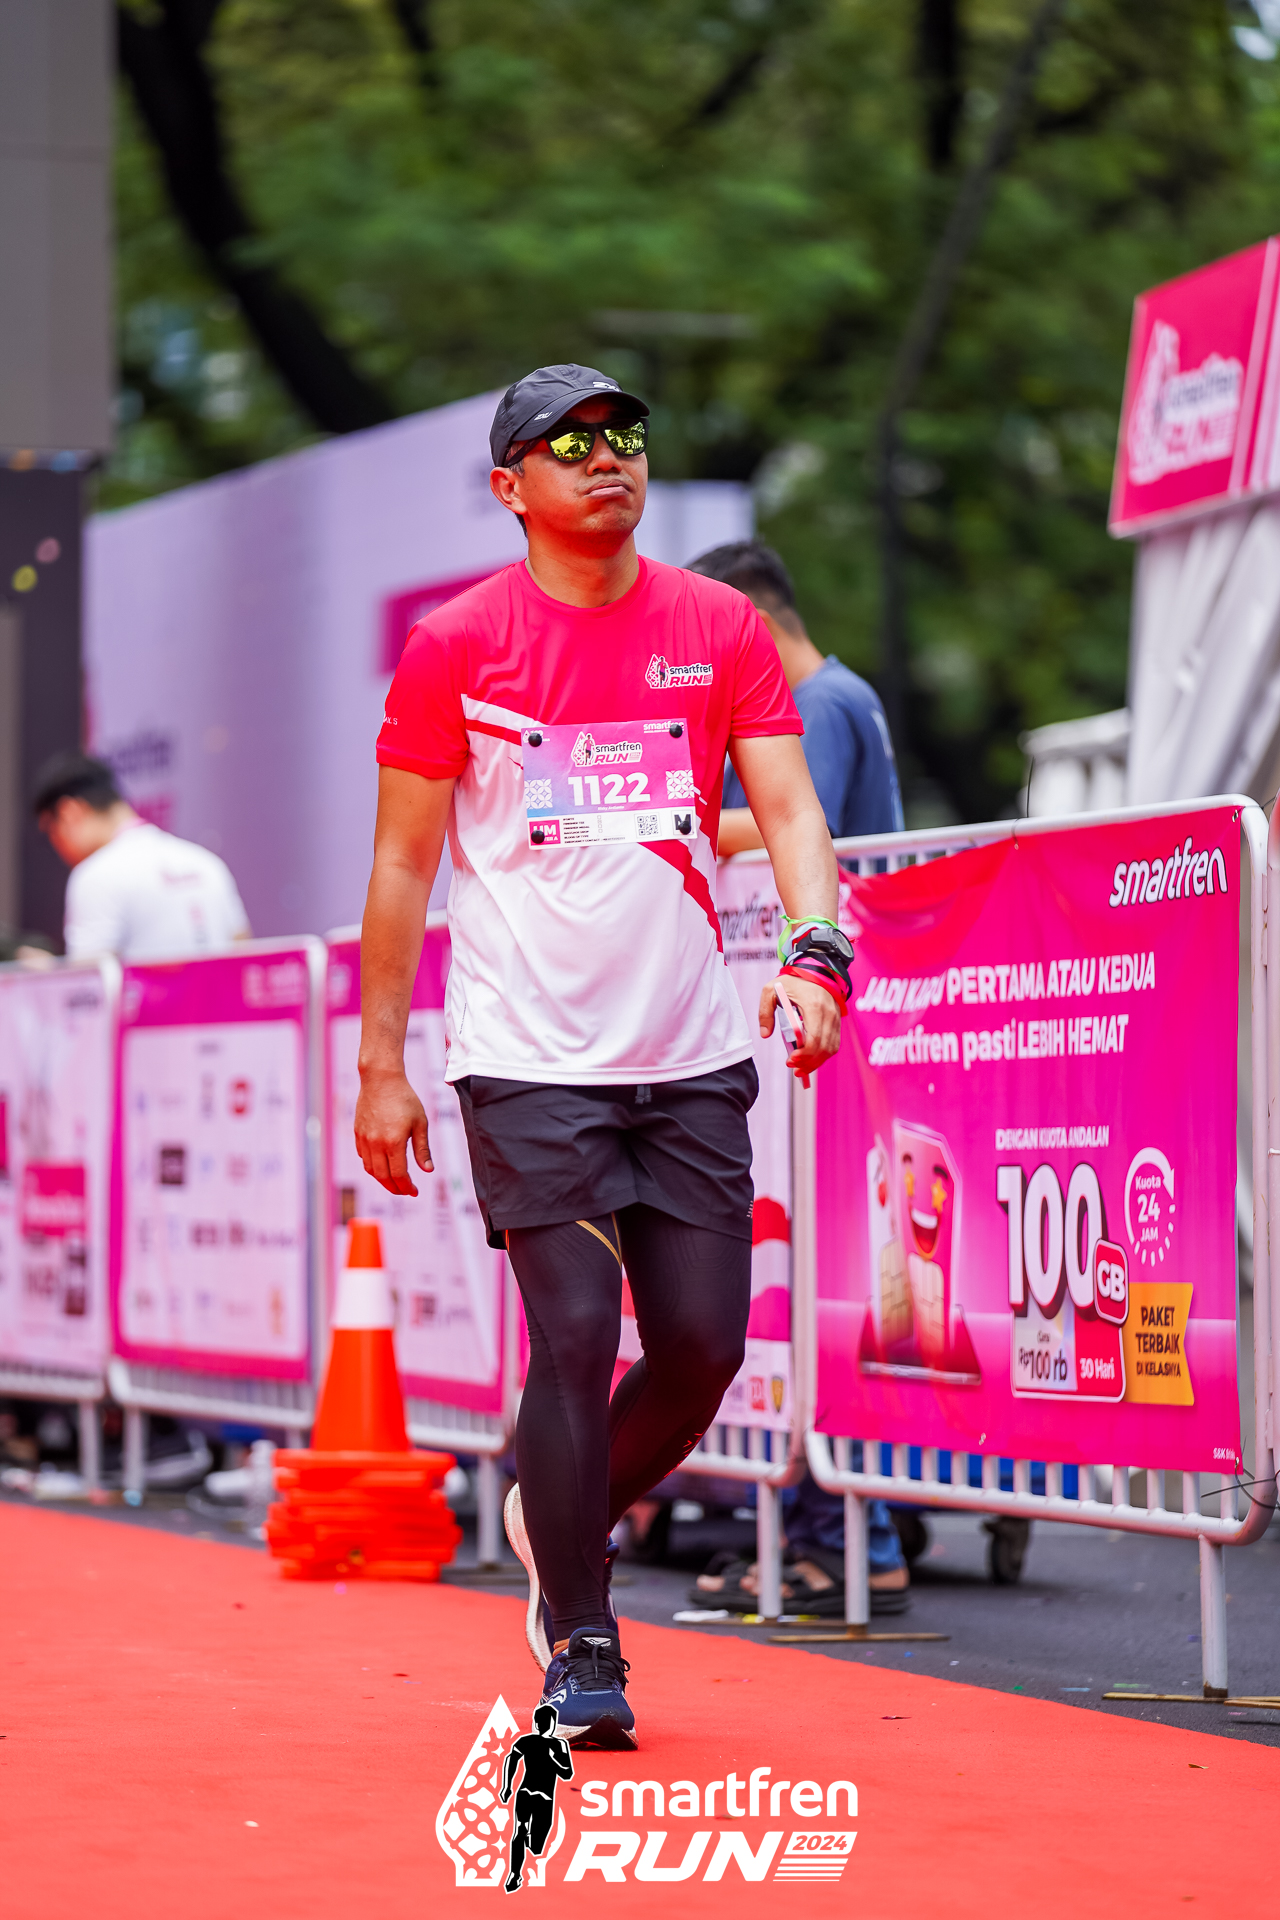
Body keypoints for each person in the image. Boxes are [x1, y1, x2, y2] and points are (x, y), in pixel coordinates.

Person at [354, 362, 852, 1748]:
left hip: (686, 1049)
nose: (606, 459)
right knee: (572, 1336)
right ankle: (583, 1640)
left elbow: (789, 811)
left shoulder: (718, 625)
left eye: (623, 436)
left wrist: (815, 950)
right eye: (568, 445)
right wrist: (382, 1065)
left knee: (699, 1350)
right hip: (527, 1054)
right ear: (510, 487)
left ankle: (554, 1514)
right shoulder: (457, 645)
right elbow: (400, 868)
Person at [688, 537, 911, 1615]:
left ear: (749, 622)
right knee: (827, 1274)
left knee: (817, 1272)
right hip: (830, 1010)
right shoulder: (838, 696)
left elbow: (794, 824)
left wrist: (661, 812)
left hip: (826, 1012)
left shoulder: (814, 706)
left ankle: (841, 1540)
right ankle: (852, 1527)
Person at [689, 540, 903, 856]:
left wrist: (664, 825)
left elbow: (797, 824)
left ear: (756, 627)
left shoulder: (821, 702)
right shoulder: (834, 691)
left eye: (704, 641)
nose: (700, 661)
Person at [33, 752, 251, 959]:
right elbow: (243, 958)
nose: (57, 846)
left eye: (51, 831)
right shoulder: (207, 863)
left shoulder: (95, 876)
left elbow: (90, 981)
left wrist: (48, 976)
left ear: (69, 813)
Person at [499, 1703, 573, 1892]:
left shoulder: (558, 1744)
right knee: (520, 1829)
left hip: (540, 1796)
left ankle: (526, 1844)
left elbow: (567, 1774)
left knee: (536, 1844)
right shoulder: (530, 1741)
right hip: (529, 1793)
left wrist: (551, 1760)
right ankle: (515, 1873)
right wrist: (507, 1786)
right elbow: (511, 1759)